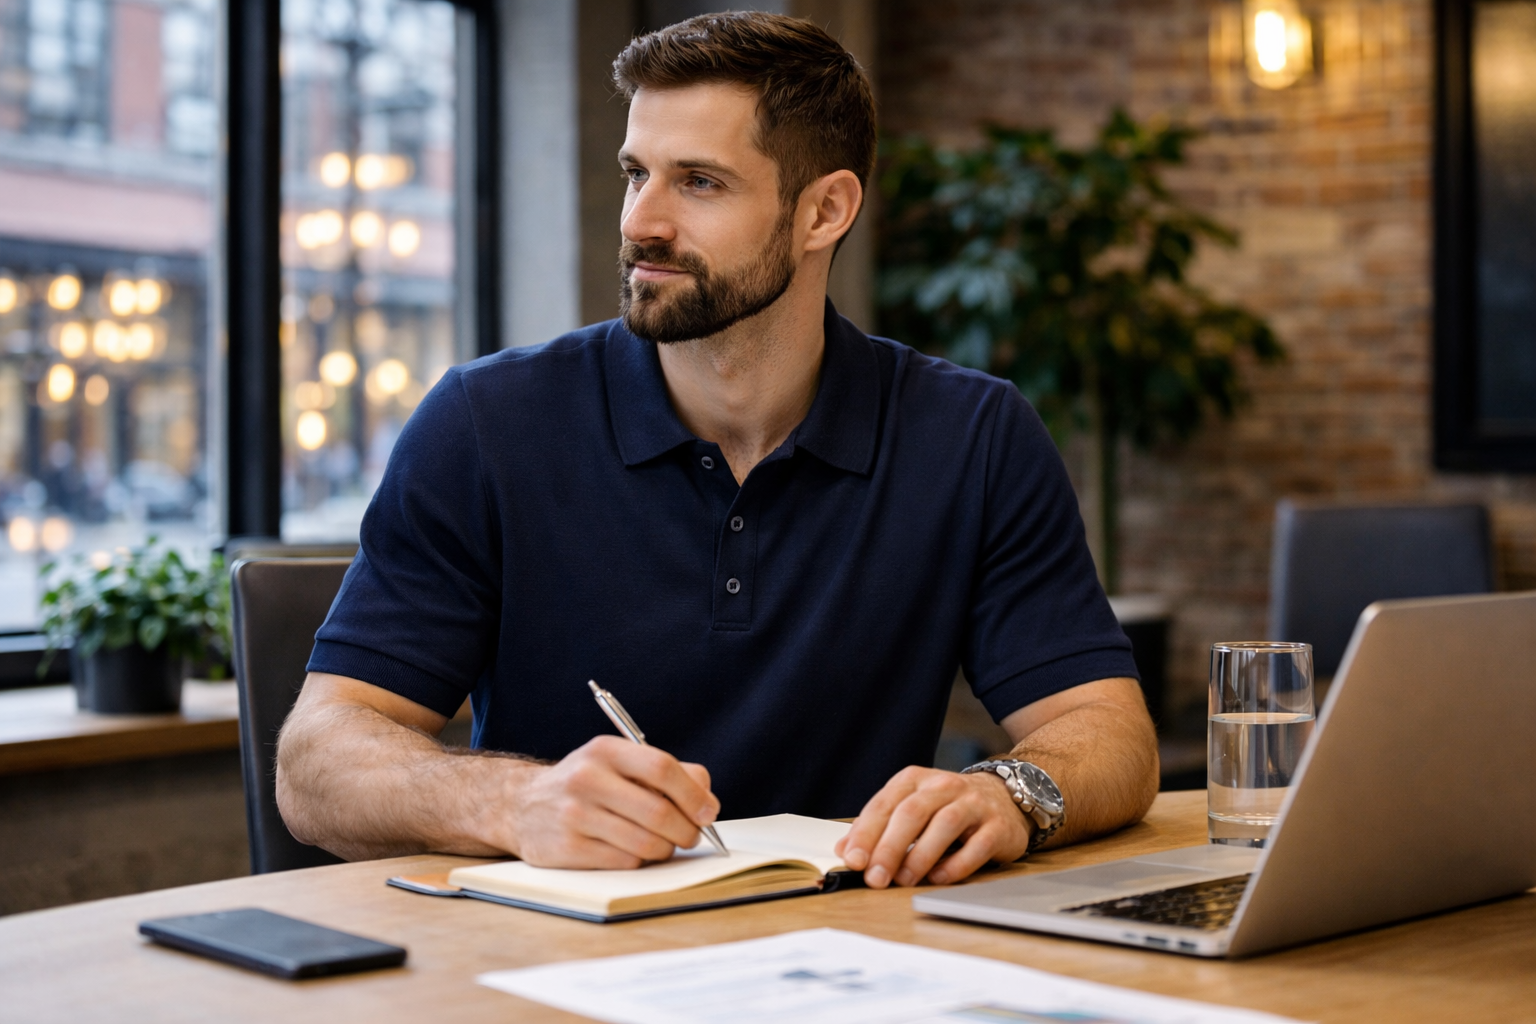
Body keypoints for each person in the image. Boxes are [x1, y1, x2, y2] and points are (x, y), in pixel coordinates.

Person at [276, 11, 1158, 891]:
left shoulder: (973, 434)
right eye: (636, 174)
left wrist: (1011, 792)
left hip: (857, 950)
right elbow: (316, 761)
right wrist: (514, 802)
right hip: (557, 960)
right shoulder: (486, 421)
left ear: (825, 211)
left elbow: (1110, 732)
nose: (643, 223)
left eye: (698, 182)